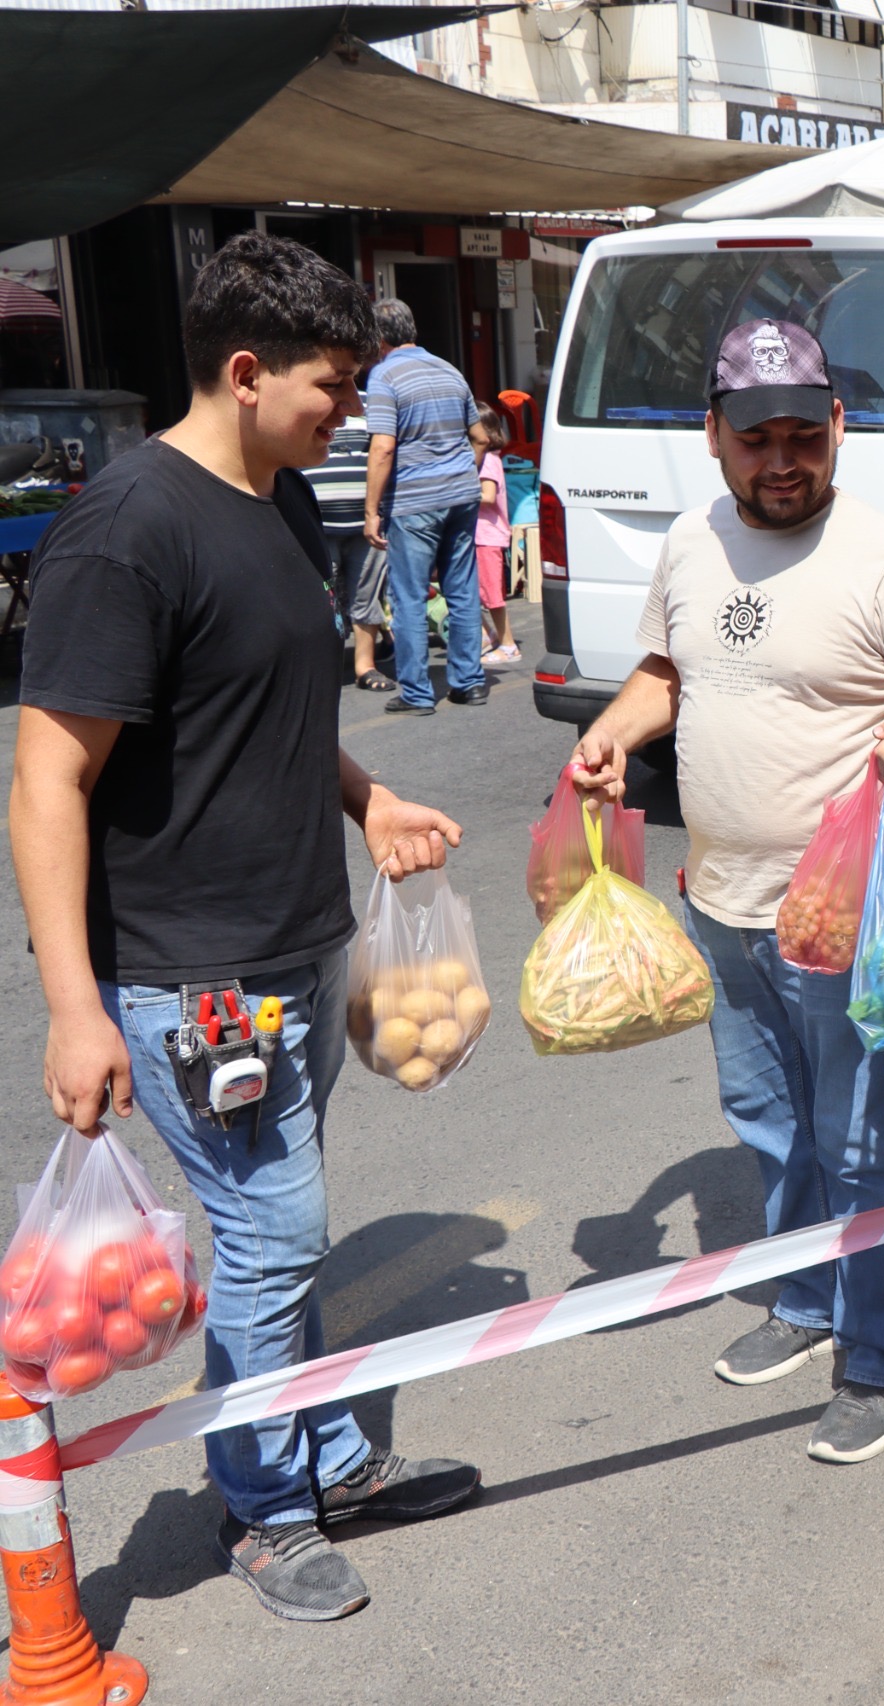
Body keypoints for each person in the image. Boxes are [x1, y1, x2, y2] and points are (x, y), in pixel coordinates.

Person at [8, 232, 479, 1624]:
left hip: (296, 940)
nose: (351, 413)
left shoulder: (279, 503)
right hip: (190, 974)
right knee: (275, 1232)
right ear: (244, 369)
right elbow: (48, 778)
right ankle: (264, 1506)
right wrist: (76, 1002)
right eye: (333, 387)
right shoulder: (128, 528)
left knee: (282, 1230)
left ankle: (327, 1454)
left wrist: (368, 791)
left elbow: (269, 715)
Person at [566, 317, 884, 1467]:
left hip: (840, 910)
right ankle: (805, 1300)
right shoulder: (693, 544)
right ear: (714, 435)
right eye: (757, 438)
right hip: (721, 895)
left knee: (865, 1138)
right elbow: (665, 673)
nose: (781, 459)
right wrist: (608, 734)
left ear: (840, 427)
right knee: (770, 1124)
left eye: (804, 434)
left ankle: (883, 1353)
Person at [361, 299, 485, 714]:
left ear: (379, 338)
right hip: (462, 495)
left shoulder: (383, 376)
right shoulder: (450, 370)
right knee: (462, 588)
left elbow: (382, 446)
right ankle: (469, 682)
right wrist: (463, 474)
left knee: (410, 595)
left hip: (414, 501)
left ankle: (416, 692)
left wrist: (371, 510)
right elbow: (481, 437)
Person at [303, 407, 390, 685]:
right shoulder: (305, 403)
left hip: (367, 525)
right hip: (315, 523)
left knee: (366, 595)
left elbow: (384, 451)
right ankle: (322, 668)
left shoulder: (374, 403)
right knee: (320, 600)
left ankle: (365, 667)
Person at [470, 406, 519, 664]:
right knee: (472, 591)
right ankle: (489, 634)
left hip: (487, 535)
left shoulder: (488, 460)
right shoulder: (487, 458)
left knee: (492, 595)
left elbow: (487, 496)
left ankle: (508, 644)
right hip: (480, 535)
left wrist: (459, 492)